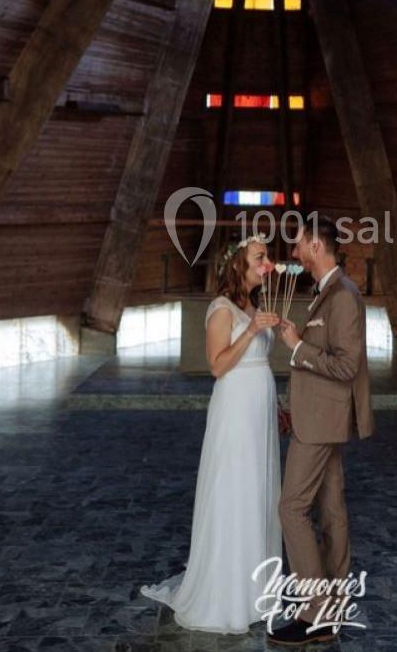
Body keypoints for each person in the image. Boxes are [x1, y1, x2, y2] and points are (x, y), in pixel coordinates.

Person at [140, 236, 283, 633]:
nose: (267, 264)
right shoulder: (222, 310)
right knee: (234, 489)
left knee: (258, 490)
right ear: (239, 265)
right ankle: (227, 591)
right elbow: (218, 367)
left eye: (267, 258)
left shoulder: (254, 306)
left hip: (259, 410)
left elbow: (257, 361)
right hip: (235, 410)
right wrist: (252, 329)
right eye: (260, 258)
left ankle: (257, 588)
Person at [268, 215, 374, 646]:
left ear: (315, 245)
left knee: (291, 508)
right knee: (330, 512)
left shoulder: (343, 296)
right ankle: (331, 609)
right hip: (319, 418)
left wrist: (296, 346)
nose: (293, 253)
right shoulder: (328, 293)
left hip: (321, 424)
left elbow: (346, 366)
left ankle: (314, 612)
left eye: (297, 245)